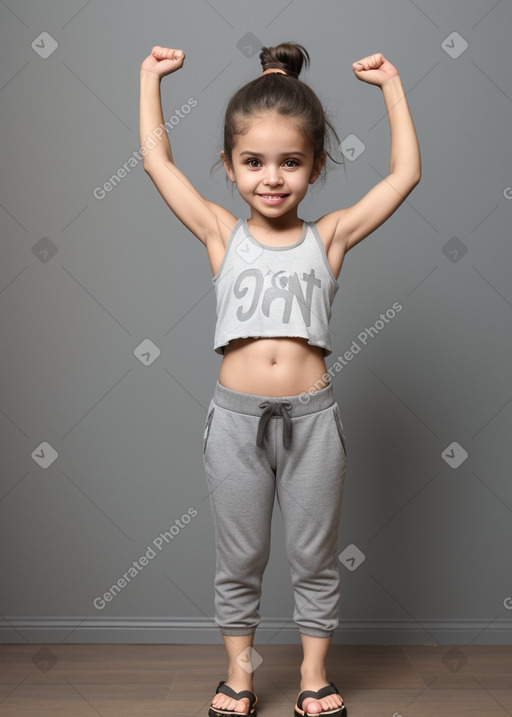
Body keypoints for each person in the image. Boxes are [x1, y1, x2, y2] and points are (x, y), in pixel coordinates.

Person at [139, 40, 421, 717]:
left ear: (317, 165)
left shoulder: (330, 238)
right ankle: (239, 678)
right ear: (230, 167)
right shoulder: (219, 233)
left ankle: (313, 678)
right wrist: (149, 78)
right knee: (239, 559)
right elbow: (155, 159)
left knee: (315, 557)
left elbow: (404, 174)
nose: (272, 177)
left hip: (312, 419)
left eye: (291, 162)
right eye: (254, 162)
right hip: (235, 420)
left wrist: (393, 86)